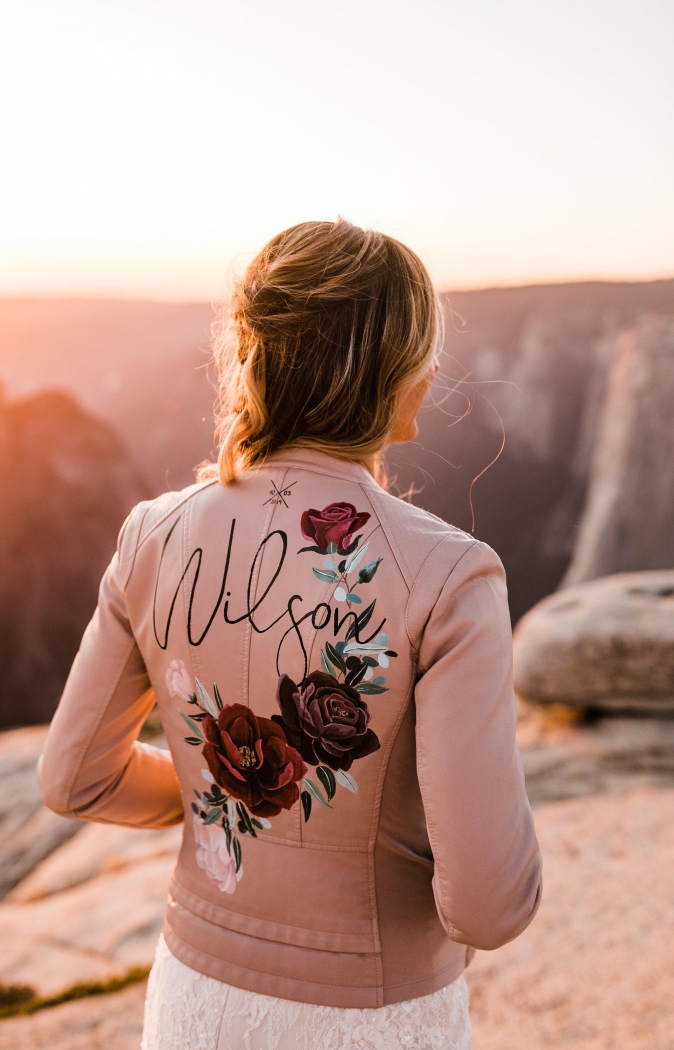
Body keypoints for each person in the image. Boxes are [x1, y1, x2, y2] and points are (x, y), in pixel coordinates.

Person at [39, 220, 542, 1050]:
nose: (435, 369)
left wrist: (219, 795)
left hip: (193, 996)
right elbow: (489, 904)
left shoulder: (152, 534)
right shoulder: (454, 577)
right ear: (392, 372)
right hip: (374, 1015)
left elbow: (75, 781)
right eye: (426, 348)